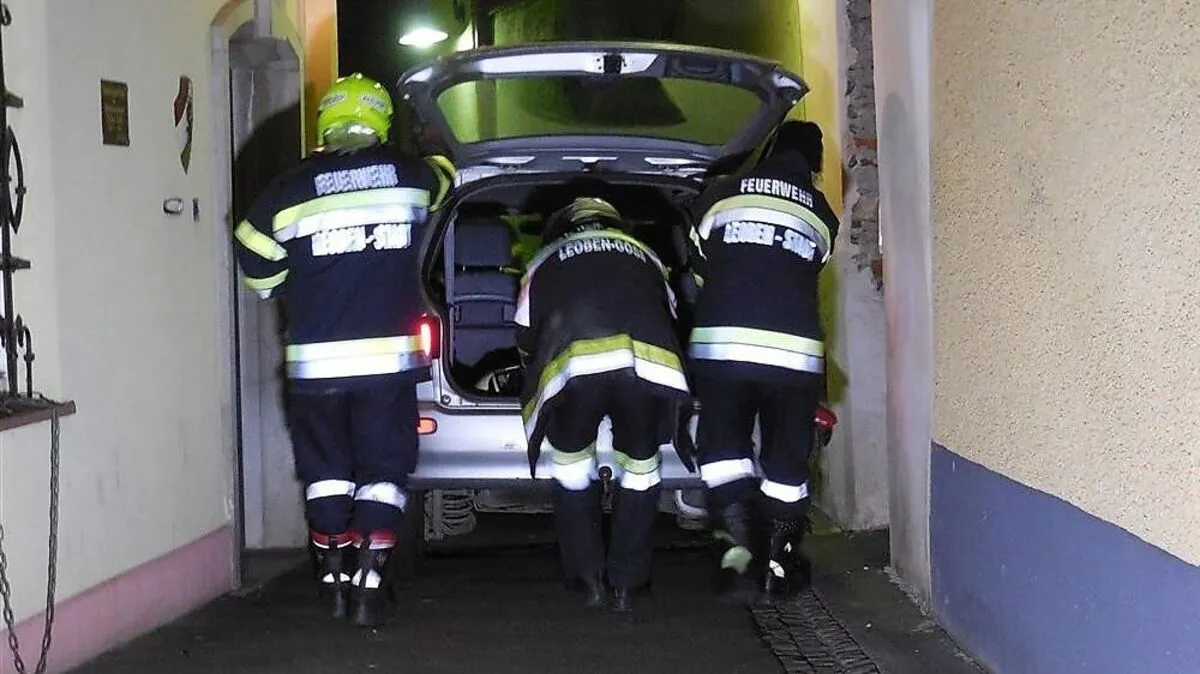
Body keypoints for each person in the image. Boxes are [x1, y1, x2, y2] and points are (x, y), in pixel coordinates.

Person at [232, 73, 454, 626]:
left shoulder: (289, 189)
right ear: (381, 120)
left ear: (325, 121)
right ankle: (369, 587)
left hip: (316, 368)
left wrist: (281, 284)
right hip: (387, 365)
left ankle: (331, 582)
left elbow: (251, 250)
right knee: (384, 469)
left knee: (325, 471)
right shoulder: (410, 176)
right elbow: (448, 179)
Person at [682, 120, 839, 604]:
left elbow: (698, 266)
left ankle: (738, 561)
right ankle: (778, 567)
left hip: (723, 348)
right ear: (814, 166)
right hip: (793, 355)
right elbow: (809, 268)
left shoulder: (719, 195)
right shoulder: (821, 213)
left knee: (723, 449)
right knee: (786, 459)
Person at [515, 197, 692, 613]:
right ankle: (629, 585)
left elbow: (524, 332)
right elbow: (671, 313)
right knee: (642, 469)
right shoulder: (646, 254)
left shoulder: (543, 260)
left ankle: (586, 581)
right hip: (644, 364)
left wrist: (536, 374)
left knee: (572, 465)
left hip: (576, 368)